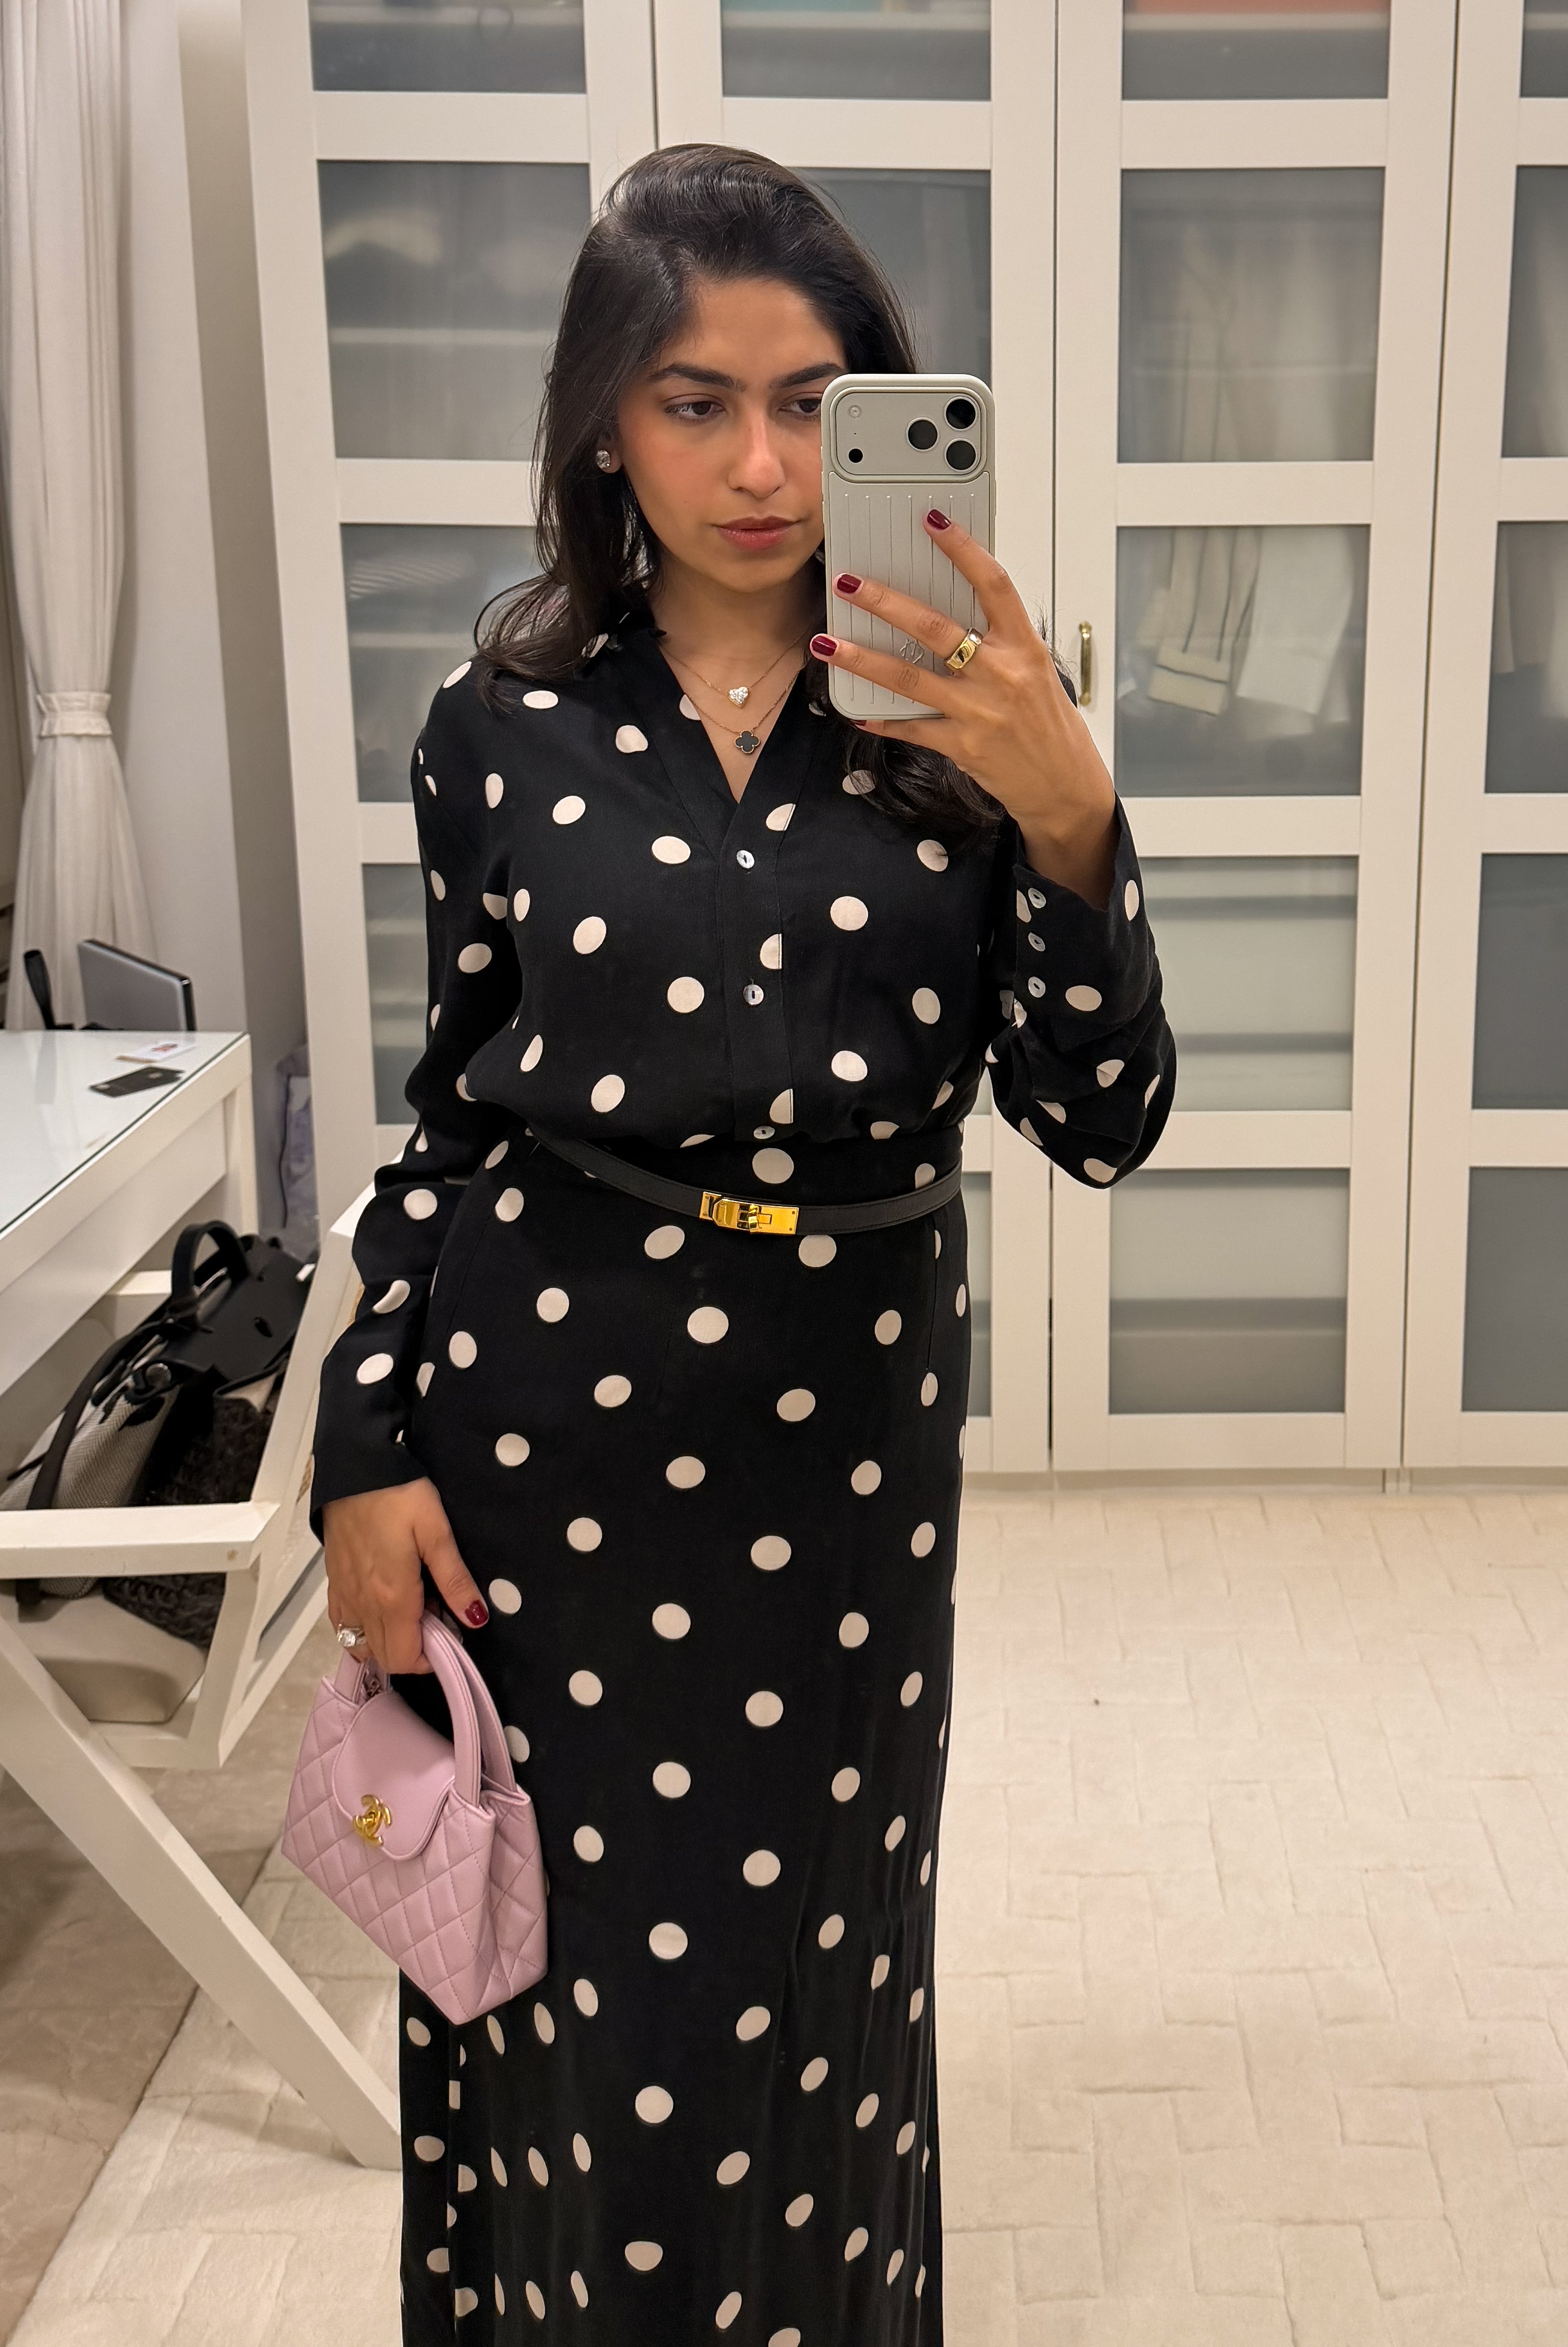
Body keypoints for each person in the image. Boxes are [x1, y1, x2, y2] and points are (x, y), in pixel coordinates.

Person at [314, 145, 1174, 2342]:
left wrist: (1070, 811)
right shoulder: (499, 724)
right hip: (541, 1437)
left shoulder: (961, 718)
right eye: (694, 403)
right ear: (605, 421)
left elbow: (1100, 1120)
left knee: (814, 1973)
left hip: (840, 1459)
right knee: (554, 1971)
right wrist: (363, 1440)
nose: (765, 465)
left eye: (811, 403)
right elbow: (454, 1116)